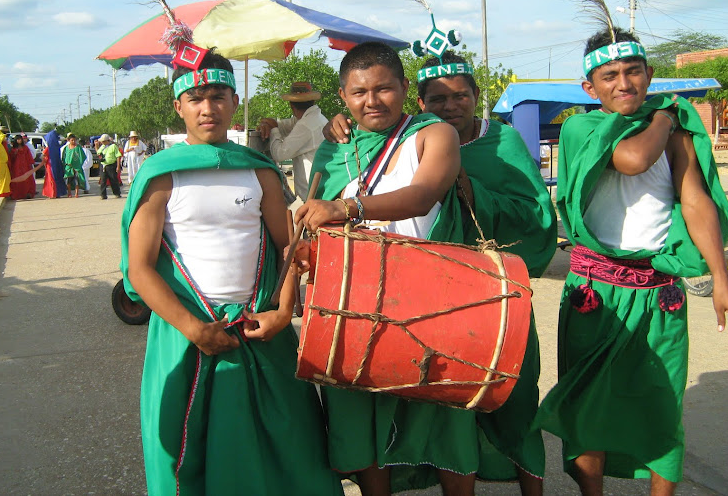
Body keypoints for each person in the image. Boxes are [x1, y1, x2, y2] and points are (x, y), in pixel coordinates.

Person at [324, 50, 557, 493]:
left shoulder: (491, 141)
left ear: (476, 95)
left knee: (511, 398)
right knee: (379, 408)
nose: (451, 107)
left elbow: (533, 213)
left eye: (460, 96)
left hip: (477, 287)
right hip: (377, 297)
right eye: (438, 99)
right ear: (421, 100)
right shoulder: (346, 143)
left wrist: (472, 191)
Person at [120, 48, 342, 496]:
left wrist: (284, 311)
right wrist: (192, 329)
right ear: (178, 106)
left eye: (219, 96)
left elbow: (289, 249)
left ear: (235, 101)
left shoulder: (258, 171)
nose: (209, 108)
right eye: (196, 98)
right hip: (189, 334)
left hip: (261, 328)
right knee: (193, 452)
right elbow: (140, 270)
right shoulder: (160, 175)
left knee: (290, 445)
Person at [534, 28, 728, 495]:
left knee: (661, 407)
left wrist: (720, 274)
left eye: (633, 71)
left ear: (649, 74)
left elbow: (696, 202)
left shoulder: (679, 136)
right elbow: (633, 159)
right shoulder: (583, 127)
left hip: (659, 292)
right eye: (610, 76)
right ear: (590, 88)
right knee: (588, 410)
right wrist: (665, 118)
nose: (624, 83)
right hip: (594, 293)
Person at [295, 41, 489, 496]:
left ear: (405, 89)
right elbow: (316, 222)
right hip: (355, 302)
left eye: (384, 89)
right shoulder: (334, 149)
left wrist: (345, 207)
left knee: (447, 414)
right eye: (359, 92)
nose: (372, 101)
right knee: (360, 418)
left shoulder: (433, 134)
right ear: (342, 97)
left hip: (430, 298)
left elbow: (423, 195)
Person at [258, 81, 328, 201]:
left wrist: (273, 129)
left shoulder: (306, 125)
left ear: (291, 105)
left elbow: (279, 154)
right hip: (319, 191)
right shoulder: (314, 119)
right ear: (312, 102)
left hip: (311, 196)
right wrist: (271, 124)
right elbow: (287, 125)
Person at [9, 134, 37, 200]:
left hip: (25, 165)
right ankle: (17, 194)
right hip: (17, 166)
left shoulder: (25, 147)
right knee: (17, 179)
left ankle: (27, 193)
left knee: (26, 179)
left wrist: (30, 163)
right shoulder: (13, 148)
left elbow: (29, 156)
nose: (19, 140)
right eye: (18, 139)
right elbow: (11, 157)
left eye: (20, 139)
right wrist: (15, 153)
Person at [42, 130, 67, 199]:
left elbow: (43, 155)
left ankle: (52, 193)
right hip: (57, 165)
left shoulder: (48, 148)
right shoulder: (57, 147)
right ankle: (58, 193)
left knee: (51, 179)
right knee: (57, 178)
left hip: (50, 166)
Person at [97, 133, 122, 199]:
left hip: (111, 165)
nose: (102, 142)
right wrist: (96, 147)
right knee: (103, 181)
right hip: (103, 165)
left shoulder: (113, 146)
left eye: (103, 141)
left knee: (113, 180)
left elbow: (118, 156)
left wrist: (118, 166)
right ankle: (103, 195)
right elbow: (98, 153)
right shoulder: (102, 147)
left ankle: (117, 193)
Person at [61, 133, 87, 198]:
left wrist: (78, 164)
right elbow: (64, 157)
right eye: (72, 140)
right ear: (69, 140)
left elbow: (82, 156)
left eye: (74, 140)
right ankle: (69, 193)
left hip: (77, 167)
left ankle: (76, 193)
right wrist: (65, 164)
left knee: (77, 181)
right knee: (68, 181)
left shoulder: (78, 147)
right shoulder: (66, 148)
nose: (73, 141)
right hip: (68, 167)